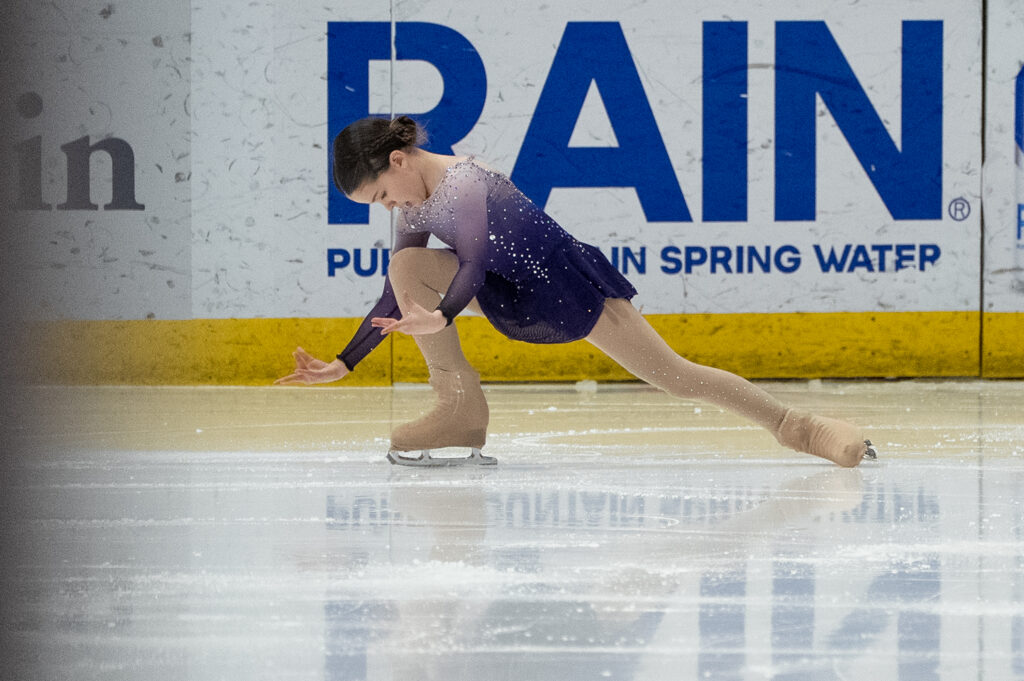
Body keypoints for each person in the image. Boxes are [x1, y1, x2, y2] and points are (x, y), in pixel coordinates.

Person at [276, 115, 877, 468]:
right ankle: (460, 409)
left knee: (673, 374)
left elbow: (476, 264)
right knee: (405, 269)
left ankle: (796, 426)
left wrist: (444, 314)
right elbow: (398, 291)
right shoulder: (417, 200)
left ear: (399, 161)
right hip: (504, 291)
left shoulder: (465, 182)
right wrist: (344, 362)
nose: (390, 208)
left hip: (564, 288)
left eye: (382, 196)